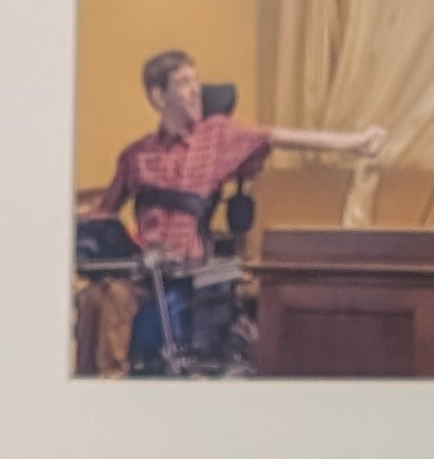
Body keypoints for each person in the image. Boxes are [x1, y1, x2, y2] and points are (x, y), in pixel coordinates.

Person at [80, 46, 386, 364]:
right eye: (184, 83)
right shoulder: (135, 156)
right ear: (159, 97)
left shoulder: (217, 137)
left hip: (188, 266)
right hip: (144, 269)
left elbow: (281, 136)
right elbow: (104, 213)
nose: (196, 90)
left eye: (195, 81)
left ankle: (112, 385)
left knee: (115, 298)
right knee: (95, 299)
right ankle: (100, 386)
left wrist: (356, 143)